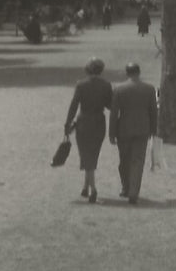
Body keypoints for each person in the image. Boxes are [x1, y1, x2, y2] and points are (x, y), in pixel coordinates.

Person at [64, 57, 113, 202]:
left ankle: (93, 190)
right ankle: (86, 187)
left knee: (86, 155)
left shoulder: (81, 85)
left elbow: (73, 106)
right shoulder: (106, 85)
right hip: (99, 122)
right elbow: (110, 105)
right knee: (92, 154)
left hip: (83, 122)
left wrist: (67, 124)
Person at [110, 62, 158, 204]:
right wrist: (154, 130)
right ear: (139, 72)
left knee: (124, 161)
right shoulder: (149, 89)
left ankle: (126, 187)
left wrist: (111, 133)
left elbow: (114, 114)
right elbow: (153, 112)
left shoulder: (119, 89)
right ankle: (133, 191)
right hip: (143, 129)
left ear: (127, 73)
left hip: (123, 129)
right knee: (137, 161)